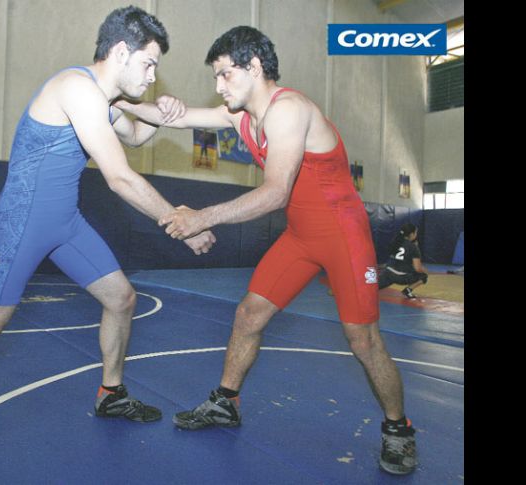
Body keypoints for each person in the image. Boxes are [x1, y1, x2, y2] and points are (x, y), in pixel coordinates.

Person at [0, 6, 215, 472]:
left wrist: (160, 115)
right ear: (121, 51)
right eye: (149, 63)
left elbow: (133, 136)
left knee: (122, 299)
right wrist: (179, 222)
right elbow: (120, 178)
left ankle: (111, 393)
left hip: (64, 222)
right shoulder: (76, 88)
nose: (152, 75)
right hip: (24, 221)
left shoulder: (103, 102)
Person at [116, 26, 417, 475]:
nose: (218, 86)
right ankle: (226, 402)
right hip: (301, 235)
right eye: (216, 77)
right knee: (248, 314)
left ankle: (399, 429)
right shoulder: (241, 116)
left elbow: (276, 192)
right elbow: (174, 119)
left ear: (254, 67)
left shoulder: (288, 110)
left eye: (224, 75)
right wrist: (114, 97)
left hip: (343, 236)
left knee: (363, 340)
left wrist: (201, 217)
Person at [378, 223, 429, 299]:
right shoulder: (413, 247)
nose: (416, 235)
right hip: (401, 277)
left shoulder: (395, 242)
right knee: (423, 276)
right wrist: (425, 271)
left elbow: (392, 257)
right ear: (411, 234)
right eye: (416, 233)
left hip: (388, 273)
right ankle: (408, 290)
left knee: (372, 287)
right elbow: (417, 268)